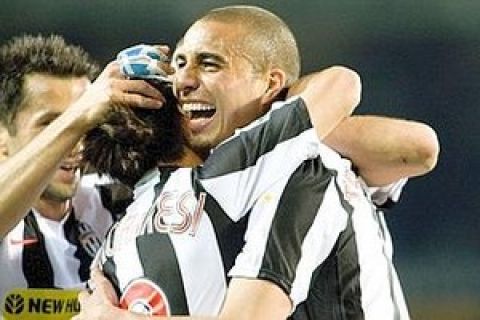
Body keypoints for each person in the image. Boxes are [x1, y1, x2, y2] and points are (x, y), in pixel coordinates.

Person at [73, 6, 438, 320]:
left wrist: (277, 124)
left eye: (209, 63)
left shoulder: (297, 165)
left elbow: (416, 146)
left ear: (271, 84)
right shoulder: (226, 179)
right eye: (179, 65)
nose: (181, 80)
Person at [0, 34, 164, 318]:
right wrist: (78, 116)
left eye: (88, 124)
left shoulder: (114, 202)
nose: (77, 145)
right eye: (50, 123)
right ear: (2, 137)